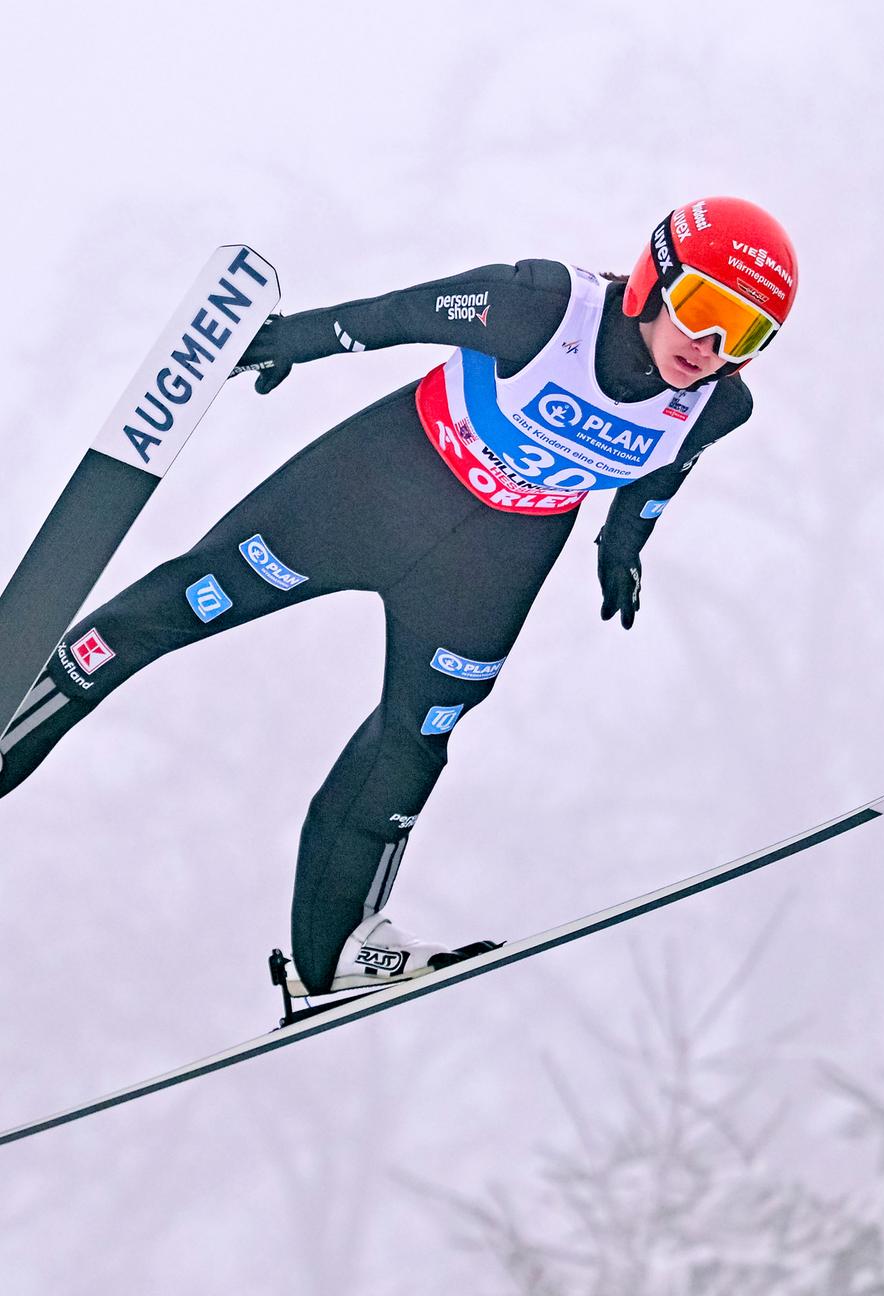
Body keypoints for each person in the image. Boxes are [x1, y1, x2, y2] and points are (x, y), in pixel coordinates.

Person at [0, 197, 798, 997]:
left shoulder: (719, 403)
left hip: (492, 563)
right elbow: (401, 314)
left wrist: (623, 542)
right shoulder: (543, 306)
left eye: (748, 335)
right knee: (185, 604)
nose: (712, 347)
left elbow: (665, 468)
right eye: (705, 310)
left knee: (417, 739)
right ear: (654, 281)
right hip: (374, 494)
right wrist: (288, 341)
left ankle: (340, 946)